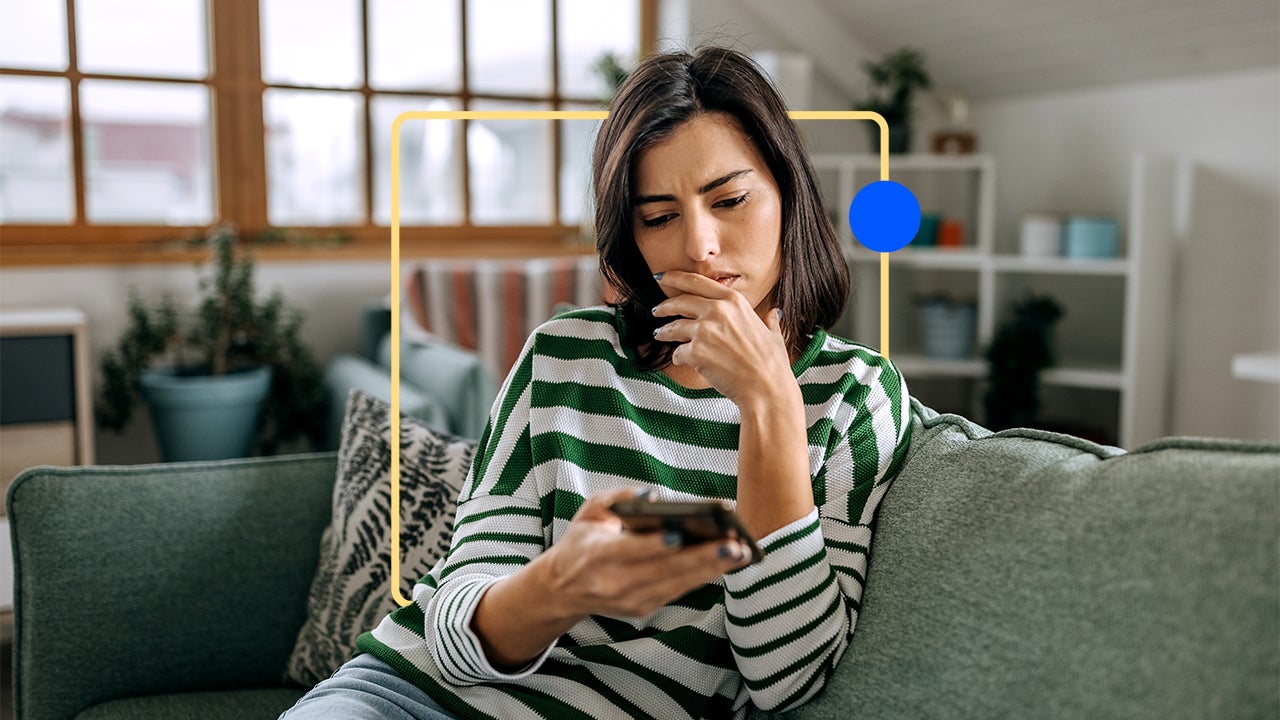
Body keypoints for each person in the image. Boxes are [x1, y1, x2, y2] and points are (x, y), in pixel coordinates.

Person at [282, 44, 911, 720]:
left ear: (789, 194)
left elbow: (788, 680)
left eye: (728, 199)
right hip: (407, 697)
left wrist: (770, 406)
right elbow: (454, 634)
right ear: (631, 236)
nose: (698, 244)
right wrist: (561, 586)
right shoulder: (564, 355)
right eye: (660, 216)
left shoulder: (853, 396)